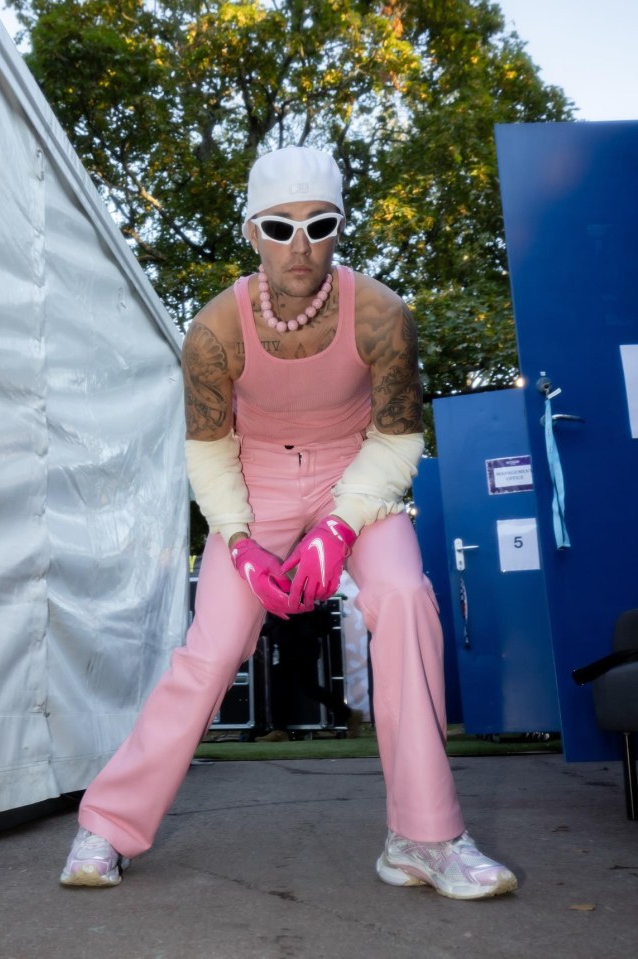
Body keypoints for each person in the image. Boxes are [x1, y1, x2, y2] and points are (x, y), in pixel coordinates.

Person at [59, 145, 518, 900]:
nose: (299, 245)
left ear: (341, 227)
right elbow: (206, 454)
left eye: (320, 223)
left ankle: (425, 837)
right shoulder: (213, 331)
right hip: (254, 482)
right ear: (251, 231)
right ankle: (107, 824)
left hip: (358, 474)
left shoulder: (382, 314)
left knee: (405, 598)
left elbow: (399, 437)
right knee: (211, 648)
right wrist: (237, 542)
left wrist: (340, 525)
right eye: (279, 226)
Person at [255, 605, 363, 741]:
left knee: (292, 688)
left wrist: (260, 631)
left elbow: (285, 616)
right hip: (296, 645)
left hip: (297, 646)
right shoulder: (291, 592)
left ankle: (280, 731)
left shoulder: (290, 594)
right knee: (299, 688)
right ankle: (348, 714)